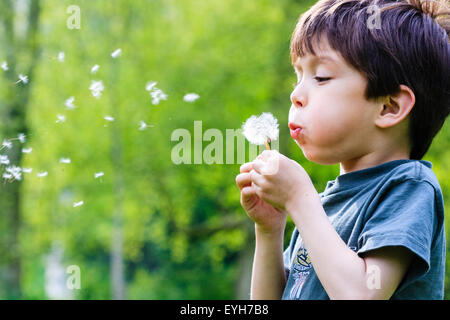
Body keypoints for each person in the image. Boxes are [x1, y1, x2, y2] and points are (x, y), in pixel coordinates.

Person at [236, 0, 449, 300]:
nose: (295, 94)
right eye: (298, 77)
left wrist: (299, 199)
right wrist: (270, 230)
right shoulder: (322, 208)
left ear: (388, 107)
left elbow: (362, 294)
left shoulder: (409, 188)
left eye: (320, 77)